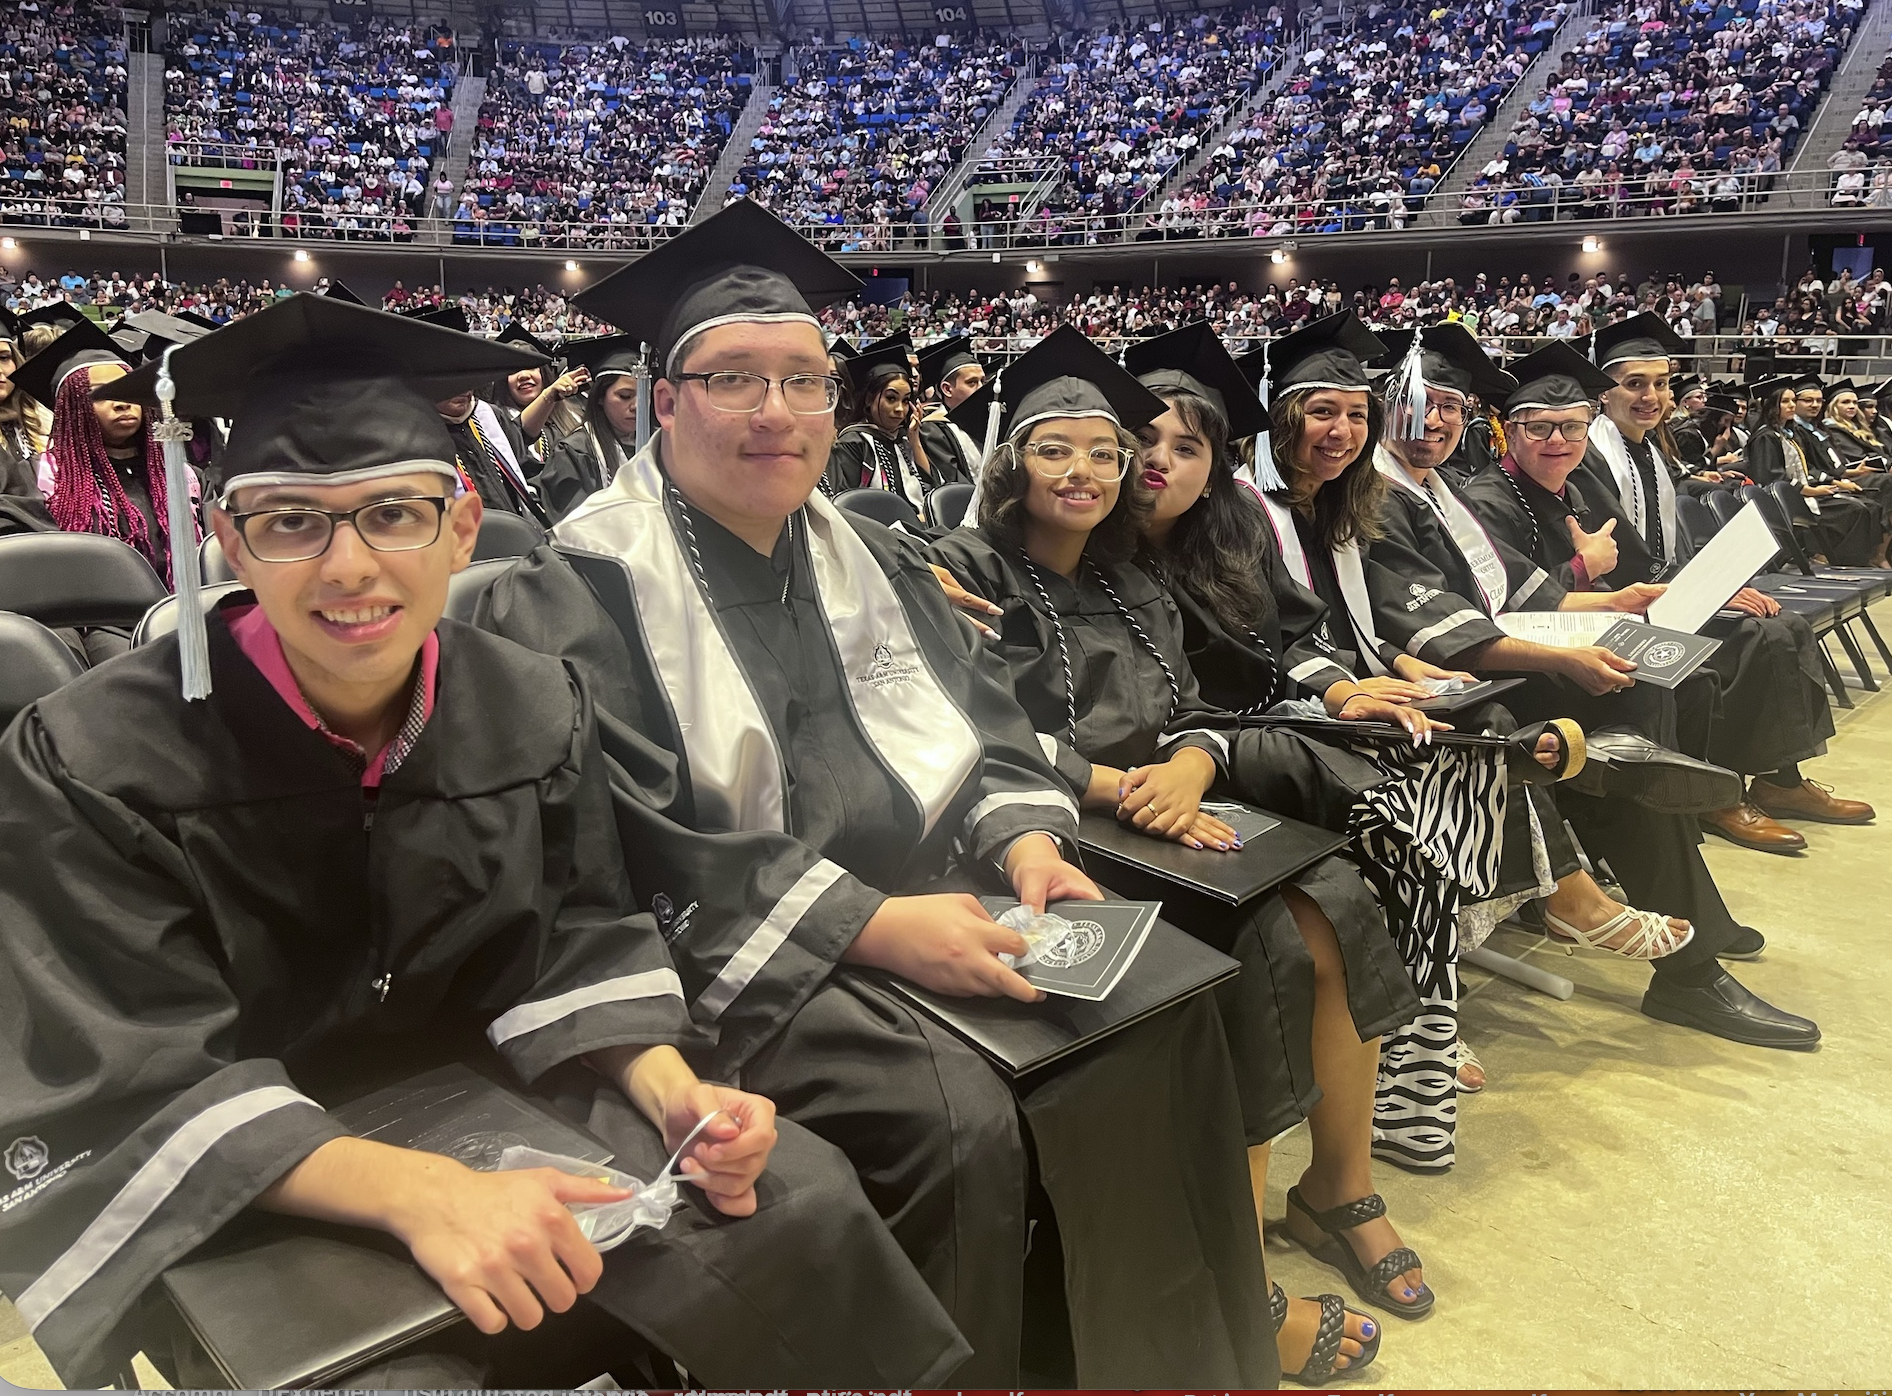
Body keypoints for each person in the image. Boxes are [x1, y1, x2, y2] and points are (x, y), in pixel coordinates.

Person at [0, 293, 968, 1392]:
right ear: (226, 539)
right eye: (290, 520)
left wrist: (668, 1087)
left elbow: (575, 937)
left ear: (461, 527)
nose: (350, 567)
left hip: (498, 1098)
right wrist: (424, 1193)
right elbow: (124, 1070)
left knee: (797, 1201)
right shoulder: (91, 756)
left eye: (395, 513)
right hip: (249, 1170)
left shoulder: (526, 700)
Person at [474, 201, 1280, 1388]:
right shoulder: (582, 581)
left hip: (939, 893)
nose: (776, 414)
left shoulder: (872, 555)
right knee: (950, 1119)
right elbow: (616, 839)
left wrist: (1023, 852)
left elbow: (981, 722)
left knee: (1162, 1012)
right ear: (663, 400)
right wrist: (873, 926)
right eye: (733, 380)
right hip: (740, 949)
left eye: (804, 381)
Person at [930, 327, 1439, 1380]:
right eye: (1052, 449)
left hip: (1162, 817)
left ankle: (1334, 1189)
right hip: (1036, 829)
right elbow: (956, 715)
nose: (1081, 472)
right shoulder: (965, 564)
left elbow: (1199, 706)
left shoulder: (1134, 582)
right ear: (1010, 461)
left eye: (1102, 453)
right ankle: (1234, 1265)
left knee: (1335, 903)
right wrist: (1111, 785)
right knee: (1259, 952)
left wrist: (1198, 761)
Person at [1424, 339, 1827, 1049]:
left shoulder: (1546, 487)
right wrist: (1585, 569)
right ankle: (1687, 958)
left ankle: (1689, 907)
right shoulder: (1472, 496)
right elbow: (1487, 605)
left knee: (1684, 680)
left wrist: (1664, 592)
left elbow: (1625, 575)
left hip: (1545, 651)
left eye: (1571, 426)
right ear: (1508, 432)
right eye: (1538, 426)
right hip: (1494, 680)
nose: (1556, 439)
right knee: (1628, 723)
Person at [1574, 318, 1875, 840]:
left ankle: (1781, 779)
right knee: (1755, 638)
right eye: (1635, 383)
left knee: (1786, 626)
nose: (1652, 396)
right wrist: (1705, 591)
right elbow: (1625, 555)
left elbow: (1668, 547)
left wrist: (1716, 584)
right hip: (1622, 604)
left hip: (1665, 590)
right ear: (1605, 391)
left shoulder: (1648, 450)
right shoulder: (1593, 457)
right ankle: (1722, 791)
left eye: (1662, 383)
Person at [12, 317, 201, 587]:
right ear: (73, 409)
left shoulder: (183, 475)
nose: (122, 403)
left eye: (127, 389)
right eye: (101, 394)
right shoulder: (41, 478)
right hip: (95, 620)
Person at [1744, 376, 1885, 566]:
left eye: (1793, 400)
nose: (1791, 405)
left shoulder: (1786, 433)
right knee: (1855, 510)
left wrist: (1830, 483)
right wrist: (1811, 490)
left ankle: (1854, 560)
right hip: (1786, 498)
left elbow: (1805, 468)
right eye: (1785, 401)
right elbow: (1771, 476)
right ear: (1771, 405)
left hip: (1802, 491)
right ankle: (1841, 561)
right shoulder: (1765, 436)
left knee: (1865, 506)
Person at [823, 338, 955, 508]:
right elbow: (847, 504)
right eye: (891, 398)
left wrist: (915, 441)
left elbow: (935, 488)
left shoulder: (903, 439)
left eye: (906, 400)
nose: (900, 409)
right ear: (869, 399)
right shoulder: (855, 442)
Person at [534, 334, 645, 522]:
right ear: (600, 397)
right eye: (625, 396)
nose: (636, 406)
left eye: (643, 396)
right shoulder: (573, 453)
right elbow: (573, 526)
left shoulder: (659, 443)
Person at [915, 334, 988, 483]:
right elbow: (953, 481)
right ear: (947, 389)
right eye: (972, 383)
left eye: (983, 381)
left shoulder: (987, 420)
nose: (981, 389)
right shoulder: (933, 429)